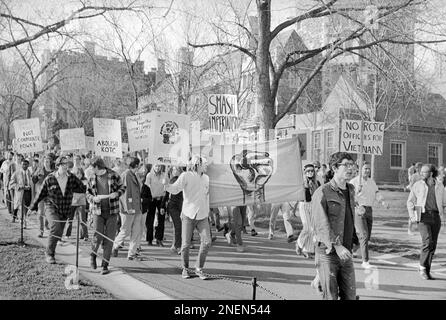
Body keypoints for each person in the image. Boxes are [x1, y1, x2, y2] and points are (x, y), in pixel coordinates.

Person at [311, 152, 357, 300]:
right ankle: (320, 277)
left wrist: (354, 238)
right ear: (335, 168)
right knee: (331, 296)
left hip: (346, 252)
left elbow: (347, 217)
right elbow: (321, 224)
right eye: (346, 165)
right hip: (328, 252)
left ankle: (319, 278)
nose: (351, 168)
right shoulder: (322, 192)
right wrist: (336, 245)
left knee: (350, 296)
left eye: (352, 165)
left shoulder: (351, 189)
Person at [29, 156, 86, 264]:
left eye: (67, 164)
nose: (66, 166)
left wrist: (87, 185)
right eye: (63, 164)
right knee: (55, 227)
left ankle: (52, 247)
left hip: (65, 209)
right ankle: (50, 254)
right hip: (51, 207)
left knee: (58, 232)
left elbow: (82, 188)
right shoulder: (50, 178)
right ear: (58, 165)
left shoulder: (72, 178)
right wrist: (32, 207)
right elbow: (40, 194)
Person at [163, 155, 211, 280]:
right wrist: (166, 185)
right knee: (185, 244)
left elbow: (207, 196)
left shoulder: (206, 178)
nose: (206, 166)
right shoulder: (185, 175)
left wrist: (208, 211)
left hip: (203, 215)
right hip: (188, 214)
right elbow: (175, 189)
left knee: (207, 242)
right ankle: (185, 268)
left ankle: (199, 268)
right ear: (197, 164)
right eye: (204, 164)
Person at [86, 157, 126, 275]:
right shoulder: (92, 177)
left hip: (112, 212)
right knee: (97, 236)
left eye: (92, 167)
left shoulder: (113, 175)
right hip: (97, 211)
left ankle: (105, 264)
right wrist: (93, 198)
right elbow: (87, 193)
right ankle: (93, 255)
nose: (90, 169)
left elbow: (123, 187)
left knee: (109, 238)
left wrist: (116, 194)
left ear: (97, 167)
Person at [407, 164, 446, 280]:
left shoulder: (440, 186)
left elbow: (444, 203)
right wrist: (412, 216)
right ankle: (422, 267)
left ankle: (427, 270)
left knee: (433, 245)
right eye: (421, 172)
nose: (422, 174)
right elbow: (410, 201)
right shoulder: (418, 185)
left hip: (435, 216)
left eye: (424, 172)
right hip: (422, 215)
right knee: (427, 241)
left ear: (431, 173)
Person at [349, 162, 389, 269]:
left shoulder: (372, 182)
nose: (367, 171)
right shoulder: (354, 182)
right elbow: (350, 197)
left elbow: (377, 193)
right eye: (365, 168)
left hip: (369, 210)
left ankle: (353, 249)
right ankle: (365, 261)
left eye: (368, 169)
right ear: (360, 170)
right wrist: (357, 193)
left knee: (367, 236)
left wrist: (383, 202)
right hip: (359, 210)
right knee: (364, 235)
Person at [112, 157, 143, 260]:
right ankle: (114, 246)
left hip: (137, 207)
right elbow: (124, 193)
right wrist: (128, 207)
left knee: (136, 231)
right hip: (128, 209)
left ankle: (131, 253)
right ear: (137, 165)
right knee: (125, 230)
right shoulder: (126, 175)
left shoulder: (134, 174)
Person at [296, 163, 320, 258]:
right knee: (307, 227)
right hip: (304, 205)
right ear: (305, 173)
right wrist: (306, 186)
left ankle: (308, 250)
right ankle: (299, 243)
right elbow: (302, 196)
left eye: (312, 171)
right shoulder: (302, 182)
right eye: (308, 171)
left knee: (312, 229)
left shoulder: (317, 183)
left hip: (313, 205)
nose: (310, 173)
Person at [163, 165, 184, 255]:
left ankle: (175, 245)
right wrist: (162, 206)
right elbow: (166, 194)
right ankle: (178, 246)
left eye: (177, 169)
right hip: (173, 206)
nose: (176, 171)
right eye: (174, 169)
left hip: (182, 205)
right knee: (178, 225)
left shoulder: (183, 179)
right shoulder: (171, 180)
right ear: (171, 171)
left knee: (179, 226)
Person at [145, 163, 167, 246]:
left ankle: (159, 239)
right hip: (152, 199)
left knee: (161, 220)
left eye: (159, 166)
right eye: (156, 166)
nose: (158, 168)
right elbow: (146, 187)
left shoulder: (164, 175)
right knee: (150, 220)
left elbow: (166, 189)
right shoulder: (149, 175)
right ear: (153, 166)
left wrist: (163, 203)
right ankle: (149, 239)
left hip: (161, 199)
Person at [32, 155, 53, 237]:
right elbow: (34, 181)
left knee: (49, 212)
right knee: (40, 212)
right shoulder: (40, 170)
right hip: (41, 194)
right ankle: (40, 231)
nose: (46, 163)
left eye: (47, 161)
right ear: (43, 162)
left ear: (50, 162)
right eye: (45, 161)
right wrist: (36, 175)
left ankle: (46, 224)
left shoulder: (52, 172)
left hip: (50, 195)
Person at [9, 158, 33, 226]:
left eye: (26, 164)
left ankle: (24, 220)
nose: (24, 166)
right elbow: (11, 184)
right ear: (21, 165)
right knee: (22, 208)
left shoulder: (31, 172)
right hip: (20, 193)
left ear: (28, 165)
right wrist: (21, 186)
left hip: (29, 193)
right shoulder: (16, 173)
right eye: (23, 164)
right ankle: (23, 222)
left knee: (27, 207)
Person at [407, 162, 423, 235]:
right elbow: (411, 186)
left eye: (421, 167)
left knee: (419, 213)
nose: (419, 169)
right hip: (414, 197)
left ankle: (419, 229)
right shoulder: (414, 176)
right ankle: (409, 230)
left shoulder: (423, 176)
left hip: (421, 197)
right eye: (418, 167)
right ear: (416, 168)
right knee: (412, 213)